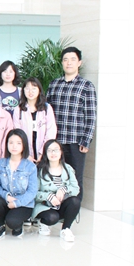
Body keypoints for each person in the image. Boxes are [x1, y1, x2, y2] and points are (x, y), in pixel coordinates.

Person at [46, 46, 96, 201]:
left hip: (76, 141)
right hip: (56, 141)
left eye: (73, 59)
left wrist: (86, 140)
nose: (69, 63)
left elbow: (91, 115)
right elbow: (46, 112)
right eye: (66, 59)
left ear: (79, 62)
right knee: (55, 175)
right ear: (62, 63)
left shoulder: (86, 86)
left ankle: (74, 209)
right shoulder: (54, 84)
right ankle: (57, 208)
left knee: (75, 177)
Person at [0, 129, 39, 239]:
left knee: (12, 222)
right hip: (6, 200)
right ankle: (0, 225)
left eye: (18, 143)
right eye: (11, 142)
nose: (14, 146)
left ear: (24, 145)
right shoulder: (0, 164)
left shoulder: (30, 167)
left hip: (24, 204)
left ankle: (17, 225)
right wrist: (7, 196)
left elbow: (32, 192)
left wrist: (16, 203)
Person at [33, 140, 81, 242]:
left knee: (75, 201)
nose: (53, 153)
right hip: (45, 206)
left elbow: (76, 189)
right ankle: (43, 223)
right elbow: (33, 193)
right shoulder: (39, 169)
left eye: (56, 150)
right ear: (45, 153)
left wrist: (64, 189)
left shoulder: (68, 168)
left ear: (61, 152)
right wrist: (48, 196)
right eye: (49, 150)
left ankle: (65, 229)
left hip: (62, 204)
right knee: (52, 218)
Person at [12, 77, 57, 162]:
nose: (30, 91)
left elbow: (51, 131)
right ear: (23, 90)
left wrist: (43, 152)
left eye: (34, 88)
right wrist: (25, 154)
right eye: (27, 88)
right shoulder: (19, 109)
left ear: (39, 90)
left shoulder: (47, 108)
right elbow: (17, 133)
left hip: (44, 152)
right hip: (25, 154)